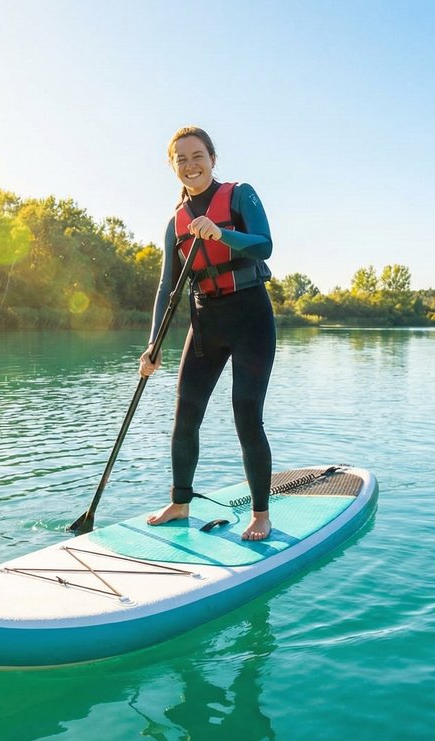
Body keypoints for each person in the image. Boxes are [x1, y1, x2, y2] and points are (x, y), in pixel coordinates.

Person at [140, 126, 276, 541]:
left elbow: (265, 245)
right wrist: (153, 344)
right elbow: (168, 287)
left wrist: (223, 233)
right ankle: (180, 503)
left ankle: (261, 513)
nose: (190, 164)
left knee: (246, 416)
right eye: (181, 159)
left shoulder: (240, 195)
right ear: (173, 167)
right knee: (185, 417)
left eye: (197, 155)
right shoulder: (175, 223)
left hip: (250, 315)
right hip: (205, 322)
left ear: (212, 159)